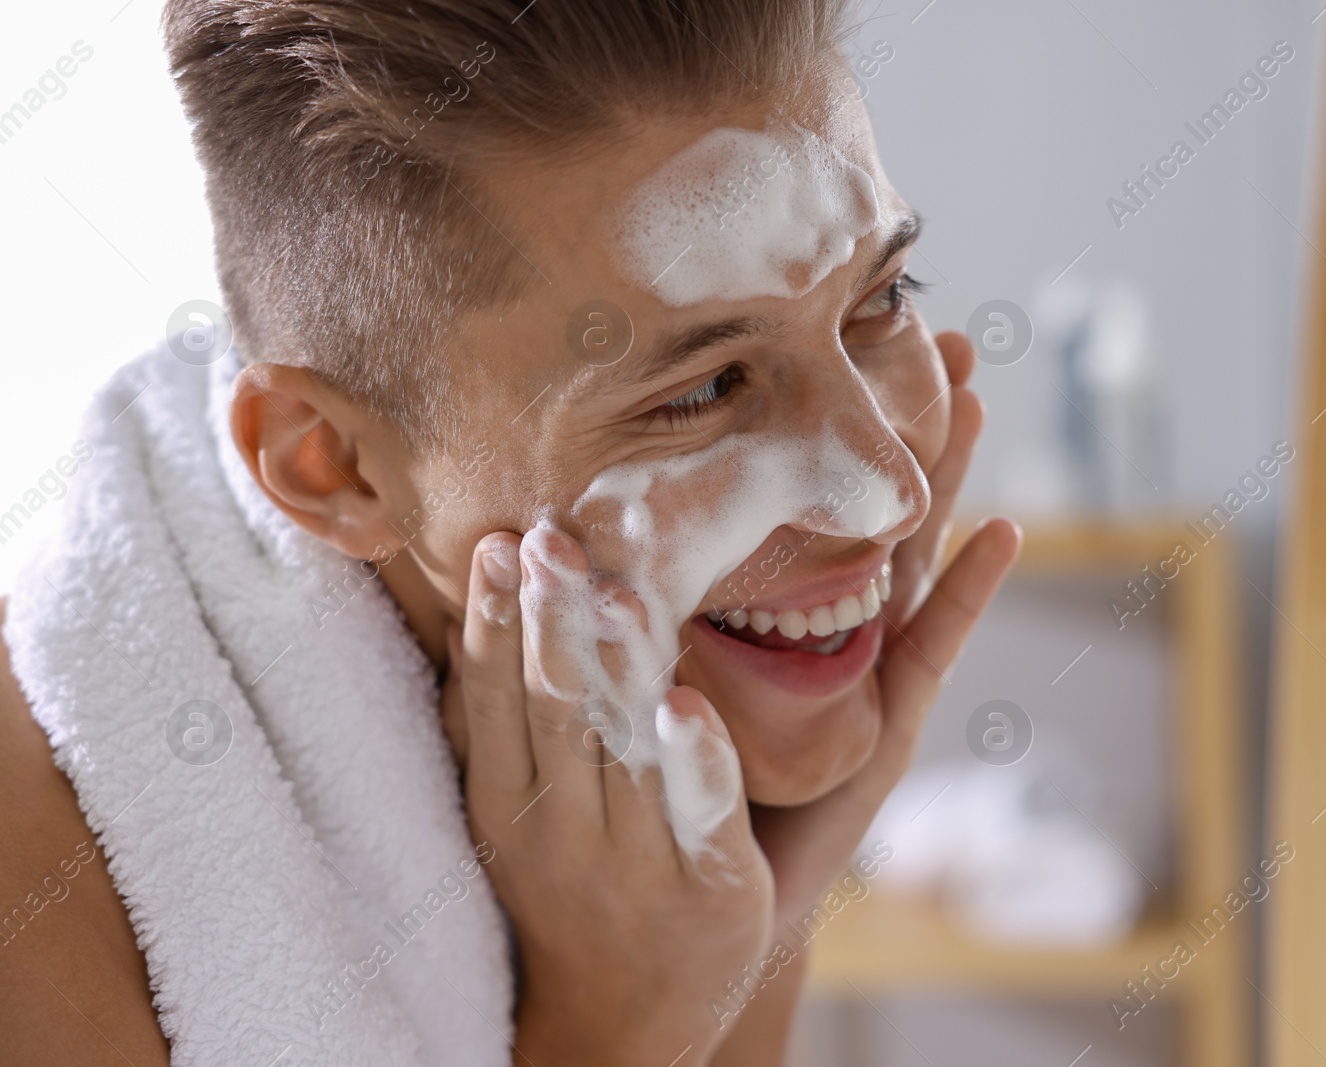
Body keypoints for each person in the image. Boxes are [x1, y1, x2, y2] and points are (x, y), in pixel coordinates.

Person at [0, 1, 1019, 1062]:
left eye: (881, 296)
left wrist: (777, 891)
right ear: (335, 465)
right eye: (704, 388)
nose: (889, 493)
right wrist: (620, 1026)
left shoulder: (652, 820)